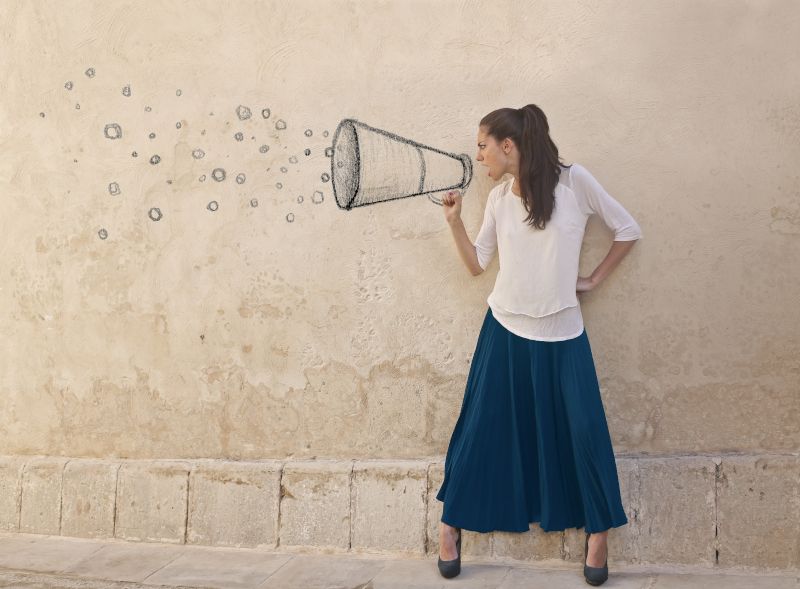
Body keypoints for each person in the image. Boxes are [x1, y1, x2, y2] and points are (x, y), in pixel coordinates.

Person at [435, 104, 641, 586]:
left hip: (563, 333)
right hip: (504, 329)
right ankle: (449, 526)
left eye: (483, 146)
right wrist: (454, 222)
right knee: (478, 428)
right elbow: (477, 265)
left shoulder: (575, 182)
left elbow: (628, 229)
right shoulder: (498, 198)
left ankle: (598, 534)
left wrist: (592, 279)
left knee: (585, 430)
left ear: (508, 146)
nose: (479, 157)